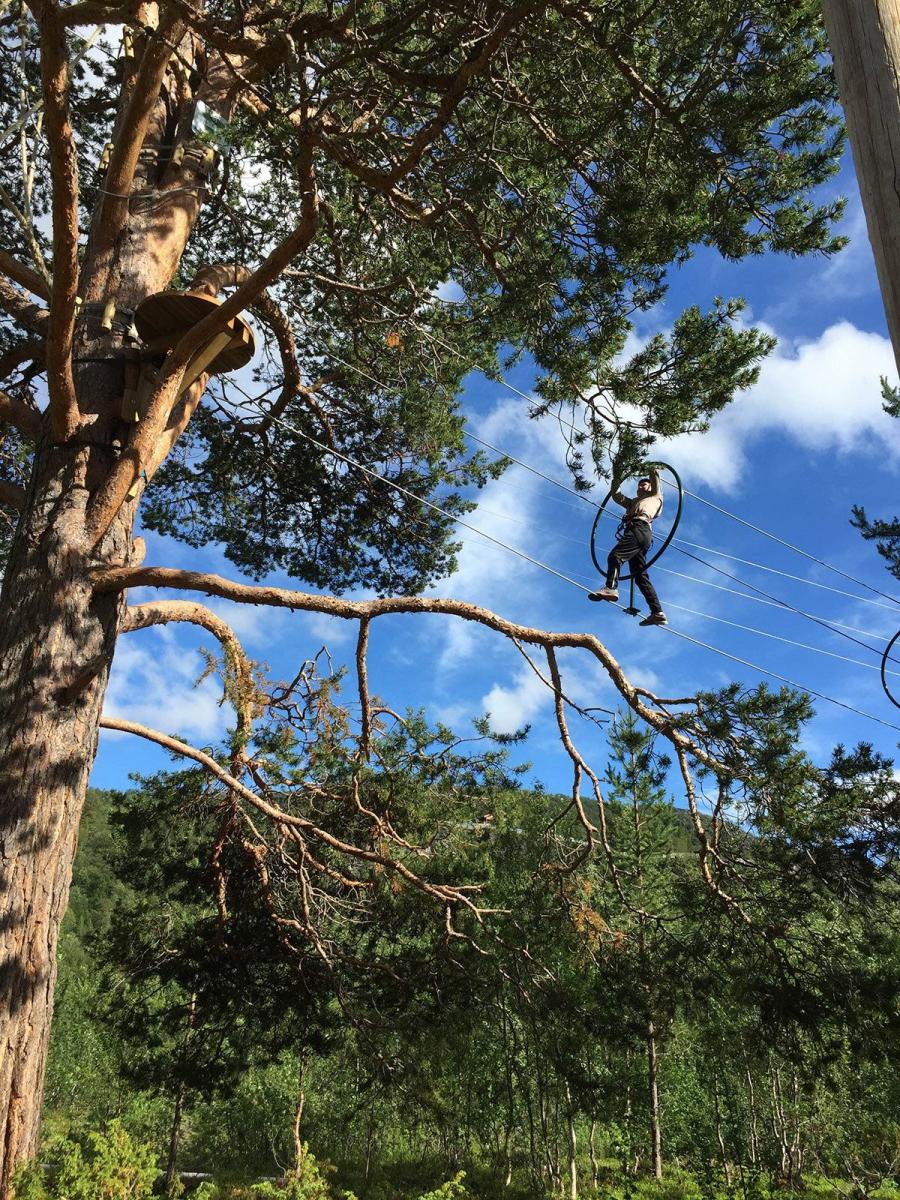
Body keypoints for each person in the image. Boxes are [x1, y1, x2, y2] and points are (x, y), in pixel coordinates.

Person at [588, 466, 667, 626]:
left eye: (643, 484)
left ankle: (610, 587)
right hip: (637, 532)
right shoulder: (633, 503)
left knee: (616, 556)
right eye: (638, 485)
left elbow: (654, 476)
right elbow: (616, 496)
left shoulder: (655, 495)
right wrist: (617, 478)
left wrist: (651, 467)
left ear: (651, 486)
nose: (640, 487)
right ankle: (657, 612)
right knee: (640, 577)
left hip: (640, 528)